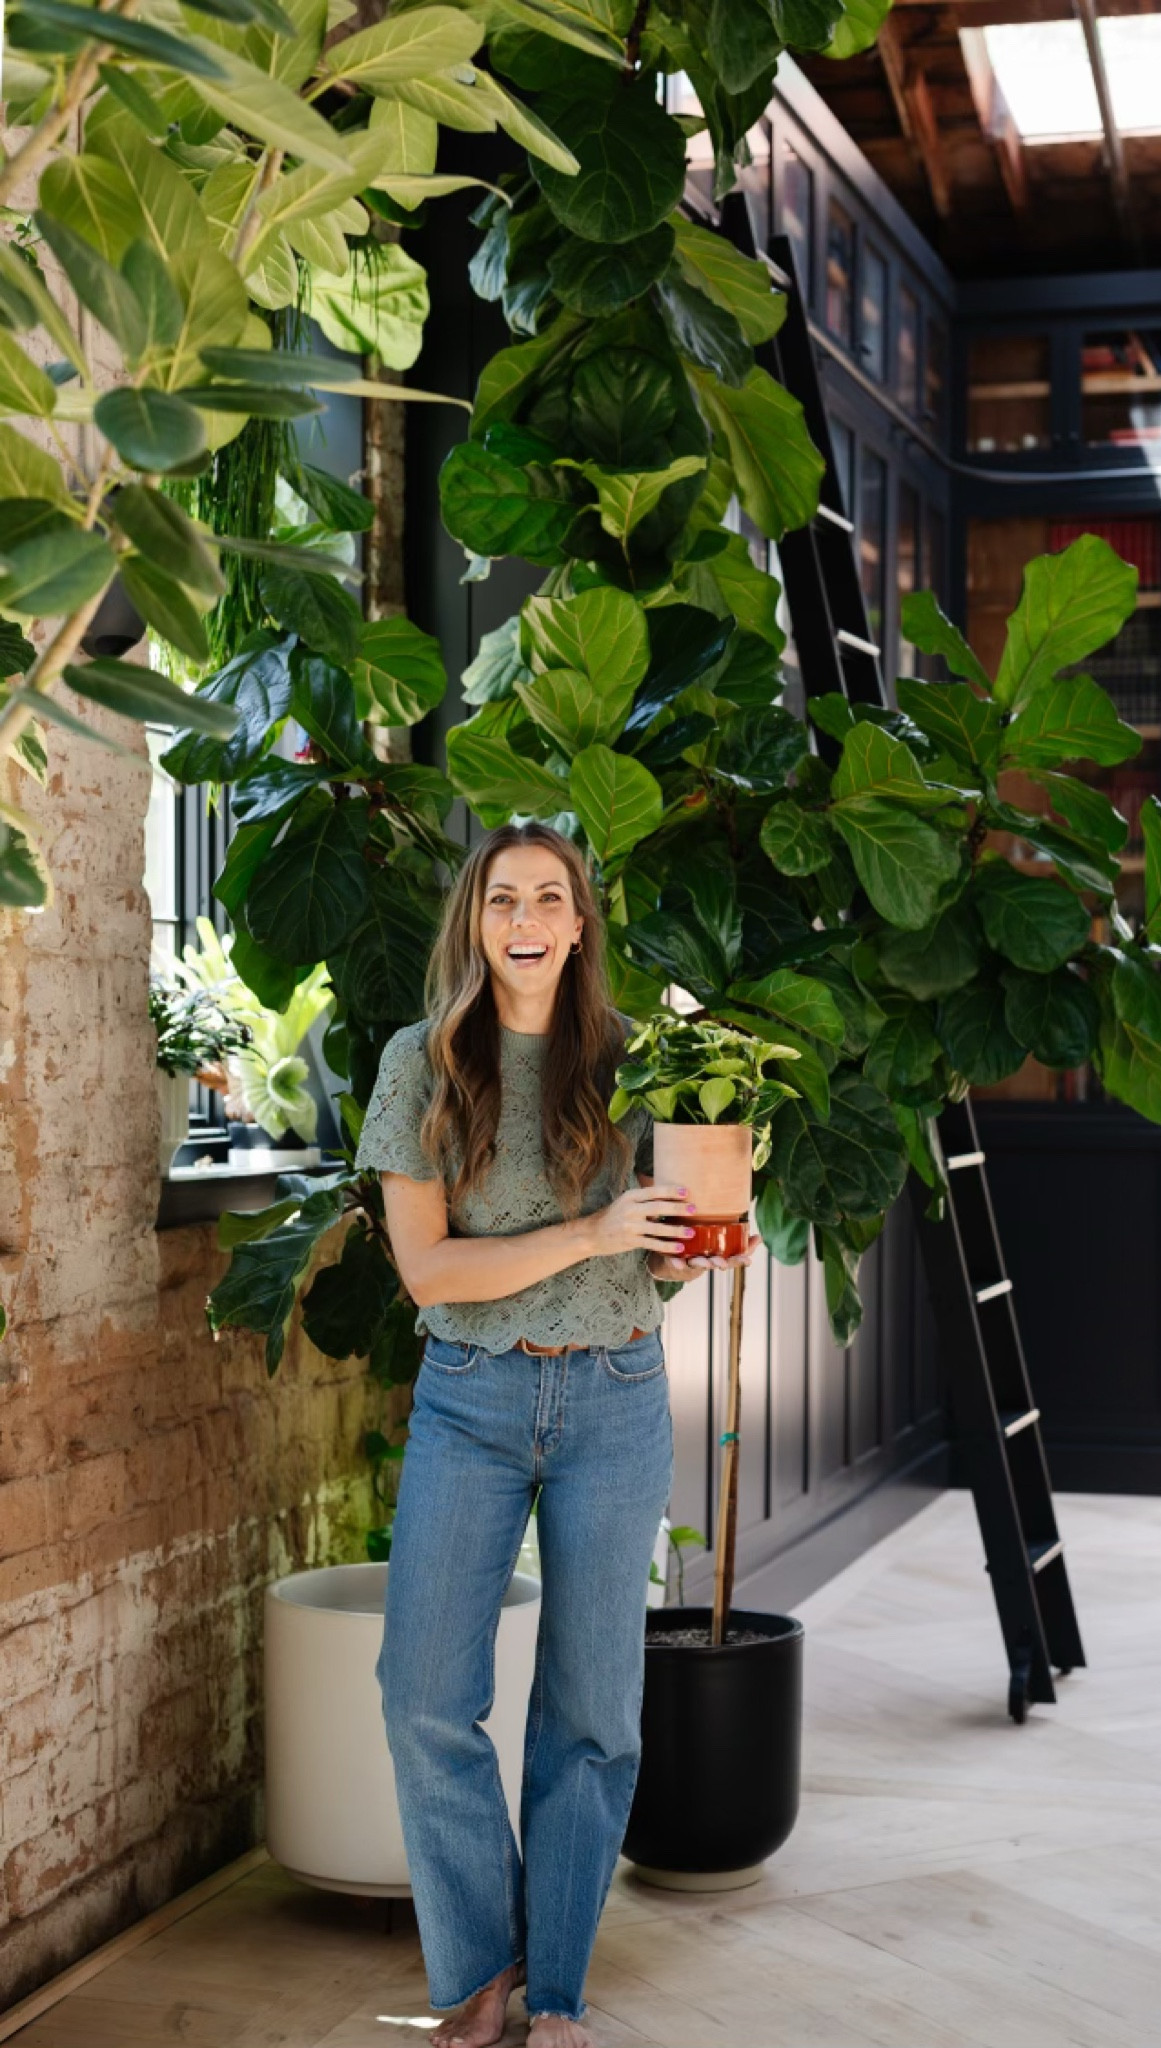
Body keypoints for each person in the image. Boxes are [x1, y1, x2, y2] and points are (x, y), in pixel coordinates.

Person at [356, 820, 758, 2048]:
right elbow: (427, 1272)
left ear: (581, 924)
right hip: (471, 1399)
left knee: (592, 1711)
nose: (524, 918)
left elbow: (687, 1240)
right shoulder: (420, 1061)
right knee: (423, 1691)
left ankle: (561, 1994)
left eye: (548, 897)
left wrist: (704, 1216)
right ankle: (479, 1970)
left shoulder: (644, 1063)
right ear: (474, 923)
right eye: (501, 899)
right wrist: (588, 1236)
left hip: (614, 1399)